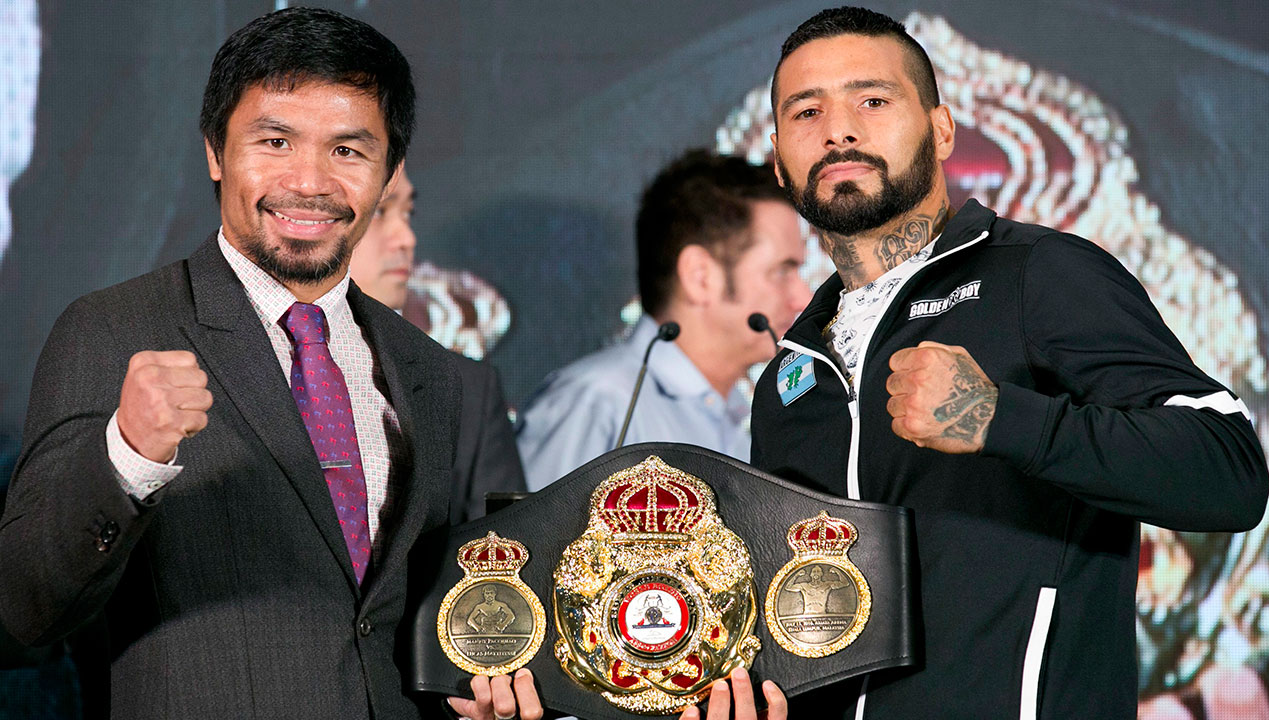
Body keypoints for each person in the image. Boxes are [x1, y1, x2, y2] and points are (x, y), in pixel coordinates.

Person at [0, 8, 538, 719]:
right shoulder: (112, 330)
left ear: (386, 172)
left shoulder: (427, 370)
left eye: (349, 151)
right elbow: (21, 611)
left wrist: (476, 695)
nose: (310, 181)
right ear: (216, 153)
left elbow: (417, 628)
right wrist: (127, 457)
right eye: (276, 141)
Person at [750, 7, 1269, 719]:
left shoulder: (1039, 275)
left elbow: (1231, 472)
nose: (839, 129)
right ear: (779, 159)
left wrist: (1001, 418)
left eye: (873, 100)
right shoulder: (790, 374)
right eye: (806, 111)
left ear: (941, 130)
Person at [517, 149, 811, 489]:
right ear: (700, 277)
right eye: (782, 271)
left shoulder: (740, 414)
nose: (803, 298)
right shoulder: (598, 402)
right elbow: (525, 541)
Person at [348, 173, 527, 523]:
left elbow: (513, 554)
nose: (406, 239)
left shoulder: (467, 390)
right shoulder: (222, 369)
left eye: (408, 213)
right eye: (381, 212)